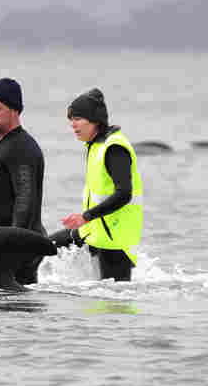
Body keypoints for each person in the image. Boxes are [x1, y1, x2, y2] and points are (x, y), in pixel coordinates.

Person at [49, 88, 144, 281]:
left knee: (112, 304)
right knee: (42, 246)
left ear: (94, 120)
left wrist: (86, 216)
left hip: (115, 242)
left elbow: (124, 194)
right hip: (93, 231)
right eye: (70, 120)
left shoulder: (114, 148)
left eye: (77, 119)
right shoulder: (96, 146)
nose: (72, 125)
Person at [0, 78, 47, 284]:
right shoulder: (7, 145)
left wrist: (12, 249)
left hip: (18, 248)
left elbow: (25, 201)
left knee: (15, 311)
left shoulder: (21, 148)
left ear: (14, 110)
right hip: (4, 244)